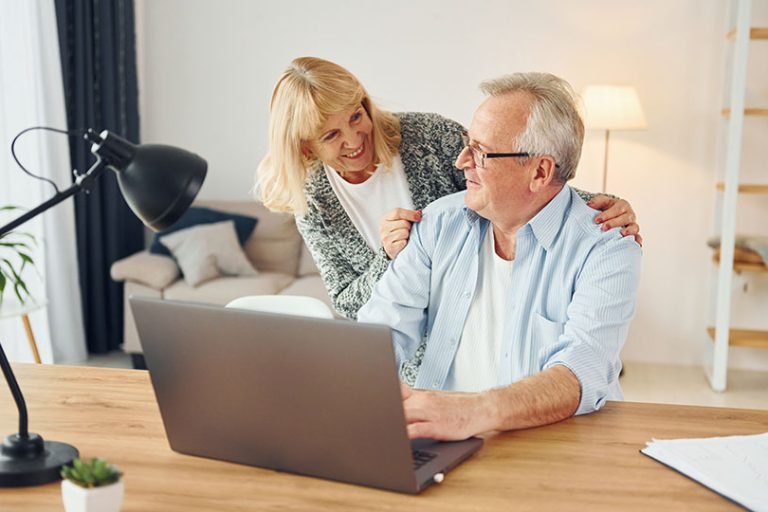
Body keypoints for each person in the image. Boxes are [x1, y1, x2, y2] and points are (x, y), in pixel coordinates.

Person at [357, 72, 642, 441]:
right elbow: (379, 333)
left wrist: (472, 412)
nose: (462, 162)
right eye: (466, 145)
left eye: (480, 152)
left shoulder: (607, 247)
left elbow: (580, 371)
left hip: (553, 446)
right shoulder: (437, 225)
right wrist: (368, 383)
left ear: (540, 171)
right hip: (440, 439)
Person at [255, 57, 640, 321]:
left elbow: (510, 176)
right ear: (306, 146)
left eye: (357, 116)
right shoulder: (311, 200)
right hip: (403, 352)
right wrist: (387, 257)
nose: (356, 138)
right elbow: (347, 303)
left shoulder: (427, 135)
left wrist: (599, 205)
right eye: (332, 135)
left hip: (474, 318)